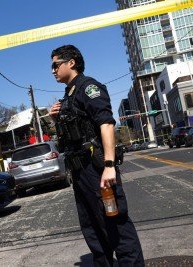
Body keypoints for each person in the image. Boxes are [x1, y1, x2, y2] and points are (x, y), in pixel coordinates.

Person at [48, 45, 144, 266]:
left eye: (55, 65)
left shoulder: (89, 88)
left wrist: (109, 164)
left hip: (97, 170)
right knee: (92, 228)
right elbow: (72, 135)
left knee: (116, 224)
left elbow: (106, 124)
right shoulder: (68, 96)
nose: (53, 70)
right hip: (80, 172)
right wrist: (55, 119)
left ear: (71, 62)